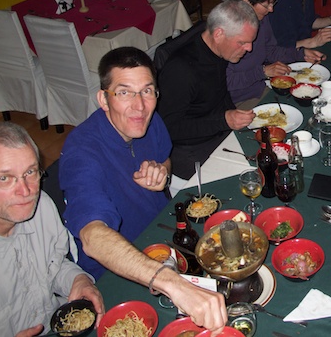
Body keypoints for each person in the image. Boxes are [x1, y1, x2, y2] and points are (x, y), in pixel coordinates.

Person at [61, 47, 227, 332]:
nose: (139, 106)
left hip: (166, 241)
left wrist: (163, 170)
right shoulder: (81, 152)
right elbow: (92, 237)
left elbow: (166, 158)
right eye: (124, 92)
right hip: (120, 274)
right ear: (103, 98)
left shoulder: (149, 120)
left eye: (147, 91)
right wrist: (173, 284)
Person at [0, 122, 104, 337]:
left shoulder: (41, 206)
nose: (26, 190)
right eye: (5, 179)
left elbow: (52, 265)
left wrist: (78, 280)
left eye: (30, 172)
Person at [158, 0, 258, 179]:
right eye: (242, 42)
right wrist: (223, 120)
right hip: (190, 150)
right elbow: (169, 128)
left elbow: (219, 93)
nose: (249, 48)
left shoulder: (219, 50)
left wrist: (234, 115)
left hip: (218, 133)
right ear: (219, 33)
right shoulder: (180, 70)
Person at [228, 0, 325, 108]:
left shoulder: (262, 19)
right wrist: (263, 72)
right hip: (239, 100)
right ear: (246, 2)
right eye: (266, 5)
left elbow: (271, 51)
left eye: (273, 3)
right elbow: (227, 81)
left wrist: (300, 53)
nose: (271, 9)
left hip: (261, 88)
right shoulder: (229, 31)